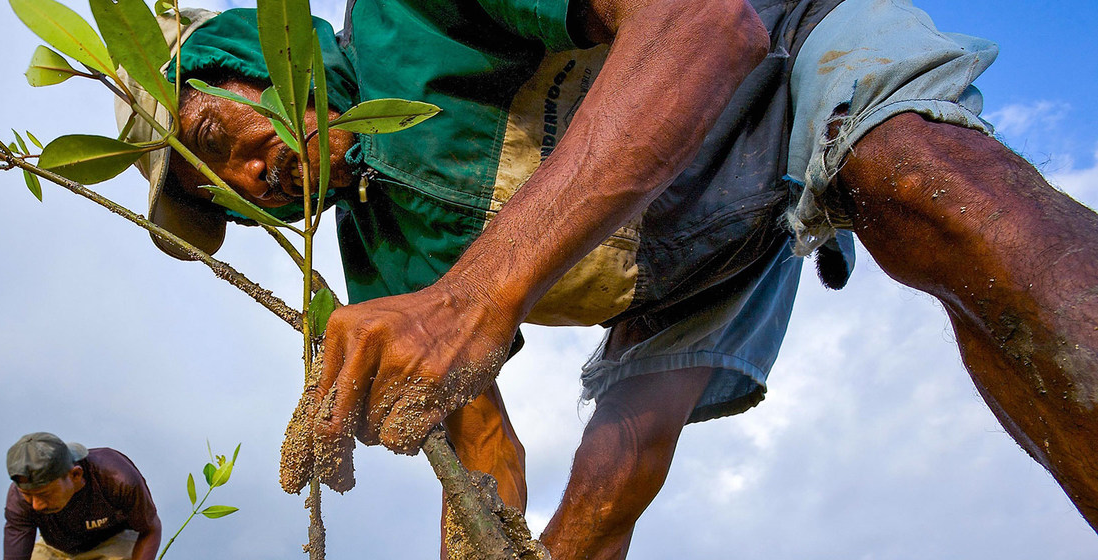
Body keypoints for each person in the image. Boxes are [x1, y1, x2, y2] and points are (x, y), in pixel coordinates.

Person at [119, 0, 1098, 557]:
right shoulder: (377, 256)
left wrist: (474, 294)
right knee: (577, 538)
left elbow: (703, 25)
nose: (253, 182)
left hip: (776, 42)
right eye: (227, 201)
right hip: (676, 282)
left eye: (220, 139)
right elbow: (484, 453)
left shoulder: (404, 9)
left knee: (933, 195)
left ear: (255, 59)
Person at [4, 432, 162, 560]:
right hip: (56, 548)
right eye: (28, 495)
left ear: (75, 475)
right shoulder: (18, 499)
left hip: (113, 543)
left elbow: (149, 530)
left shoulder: (118, 479)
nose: (36, 505)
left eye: (44, 494)